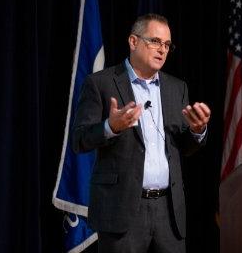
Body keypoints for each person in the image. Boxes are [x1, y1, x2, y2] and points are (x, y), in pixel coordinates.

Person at [72, 13, 211, 253]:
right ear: (133, 42)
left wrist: (198, 131)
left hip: (168, 212)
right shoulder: (101, 83)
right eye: (155, 41)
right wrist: (110, 126)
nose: (162, 50)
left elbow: (183, 146)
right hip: (122, 212)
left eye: (167, 44)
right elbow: (80, 140)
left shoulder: (177, 88)